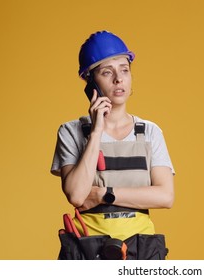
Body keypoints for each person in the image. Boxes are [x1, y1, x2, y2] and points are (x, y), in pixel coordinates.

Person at [50, 30, 175, 260]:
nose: (119, 79)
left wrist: (105, 194)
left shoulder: (150, 132)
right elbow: (77, 195)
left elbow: (165, 196)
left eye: (124, 70)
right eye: (107, 72)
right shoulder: (70, 132)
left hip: (141, 250)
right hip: (87, 249)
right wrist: (96, 131)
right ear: (90, 83)